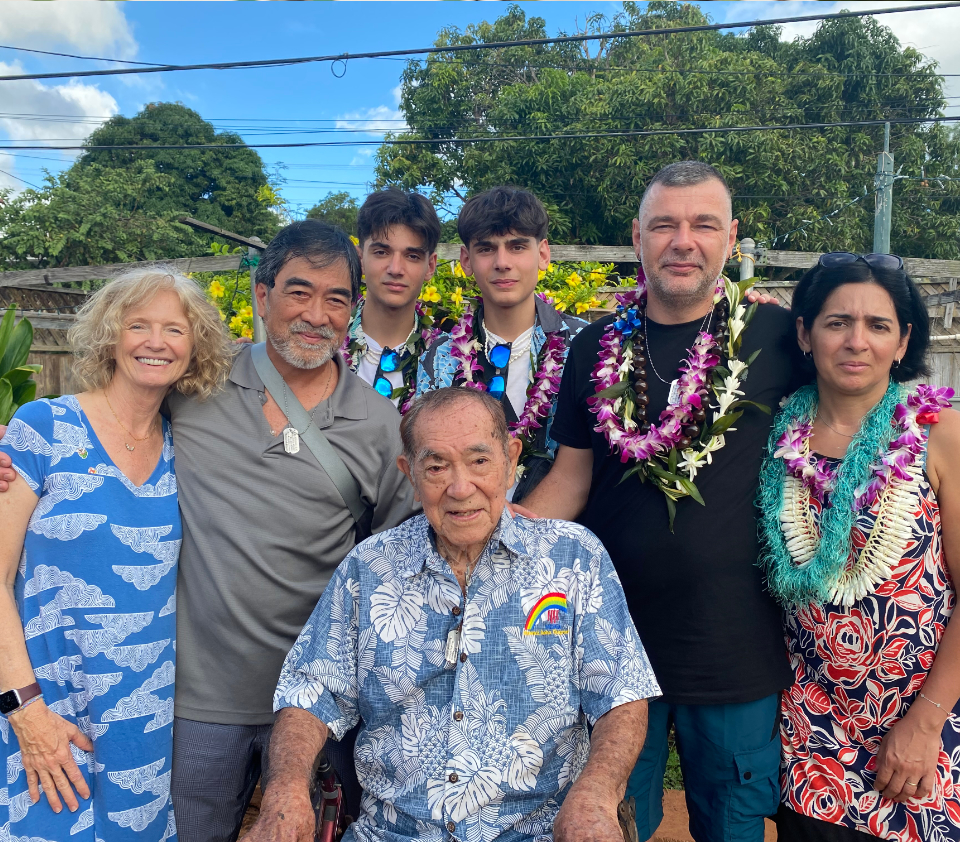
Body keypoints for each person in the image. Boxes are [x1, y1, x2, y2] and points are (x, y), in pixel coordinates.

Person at [520, 161, 803, 842]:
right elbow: (571, 479)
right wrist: (489, 530)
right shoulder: (594, 346)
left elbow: (865, 393)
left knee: (732, 827)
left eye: (703, 224)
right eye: (664, 225)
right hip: (615, 650)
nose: (683, 240)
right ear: (638, 238)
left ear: (730, 239)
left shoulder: (778, 340)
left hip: (737, 648)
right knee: (612, 824)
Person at [244, 387, 662, 842]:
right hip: (394, 833)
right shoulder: (369, 569)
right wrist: (284, 789)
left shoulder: (574, 558)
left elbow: (621, 696)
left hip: (539, 831)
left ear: (510, 458)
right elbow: (309, 694)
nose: (460, 488)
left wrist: (597, 793)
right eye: (437, 466)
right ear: (409, 473)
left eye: (479, 461)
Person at [0, 269, 232, 841]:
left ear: (193, 347)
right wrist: (24, 710)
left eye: (175, 329)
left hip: (142, 726)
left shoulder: (185, 447)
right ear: (110, 335)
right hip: (44, 708)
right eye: (139, 325)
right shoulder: (44, 427)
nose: (157, 342)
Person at [756, 253, 960, 840]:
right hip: (810, 735)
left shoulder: (938, 433)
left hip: (924, 733)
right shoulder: (773, 434)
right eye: (836, 322)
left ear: (903, 343)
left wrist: (925, 725)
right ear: (804, 333)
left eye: (878, 325)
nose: (856, 341)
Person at [416, 186, 587, 502]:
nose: (502, 262)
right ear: (466, 260)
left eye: (517, 246)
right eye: (486, 249)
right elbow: (429, 460)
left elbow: (587, 467)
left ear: (543, 254)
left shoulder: (584, 346)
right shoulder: (440, 357)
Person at [342, 187, 442, 411]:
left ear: (430, 266)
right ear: (360, 259)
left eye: (412, 256)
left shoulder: (448, 359)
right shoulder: (325, 342)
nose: (395, 269)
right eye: (381, 252)